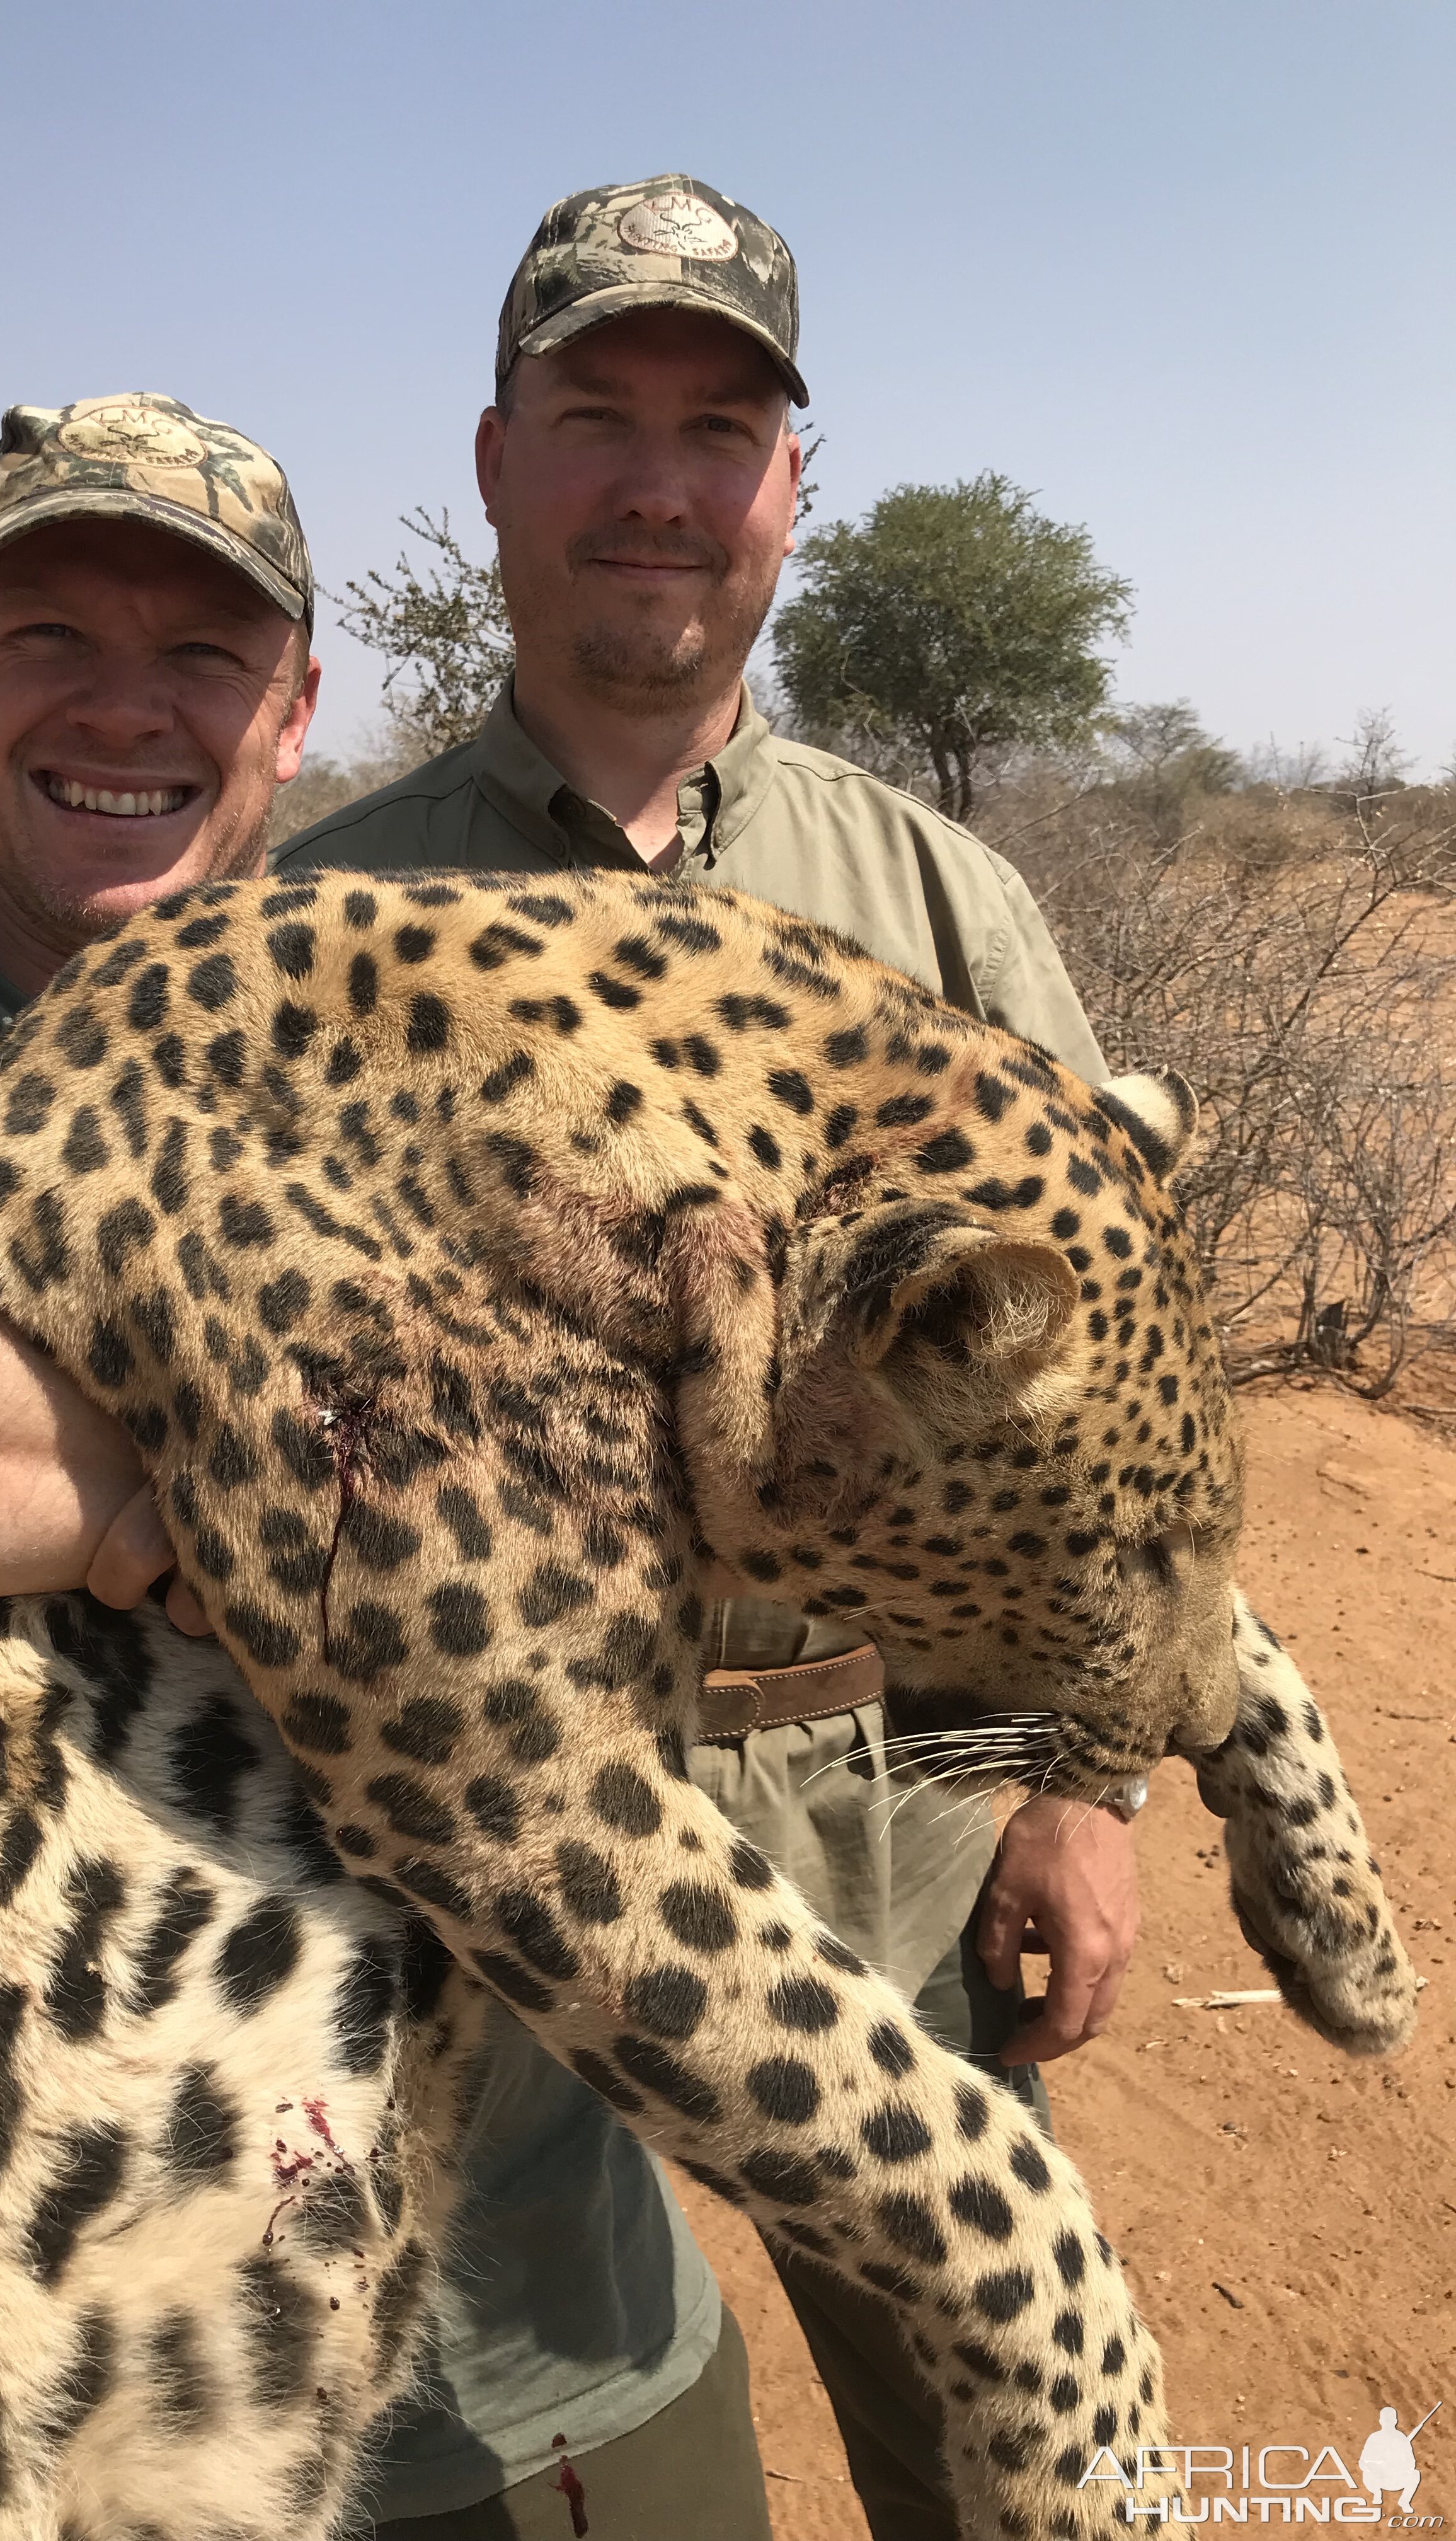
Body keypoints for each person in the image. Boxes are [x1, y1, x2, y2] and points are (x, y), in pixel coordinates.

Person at [0, 391, 774, 2541]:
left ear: (296, 712)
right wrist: (258, 1480)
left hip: (526, 2320)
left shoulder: (437, 1030)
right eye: (49, 640)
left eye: (204, 656)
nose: (127, 709)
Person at [263, 173, 1144, 2541]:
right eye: (600, 415)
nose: (662, 479)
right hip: (488, 1863)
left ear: (789, 489)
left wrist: (1079, 1787)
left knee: (995, 2455)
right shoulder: (326, 911)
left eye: (721, 427)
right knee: (526, 2457)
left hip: (885, 1821)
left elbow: (1100, 1415)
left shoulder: (944, 899)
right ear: (494, 464)